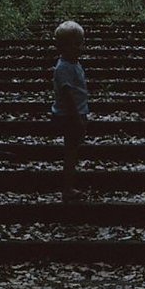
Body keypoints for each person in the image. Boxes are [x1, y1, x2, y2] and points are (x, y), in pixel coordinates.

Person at [51, 20, 88, 203]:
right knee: (71, 152)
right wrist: (77, 119)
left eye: (80, 43)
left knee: (73, 149)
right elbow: (68, 95)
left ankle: (69, 186)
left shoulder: (73, 63)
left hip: (76, 113)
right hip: (69, 115)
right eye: (75, 44)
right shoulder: (64, 68)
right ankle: (67, 189)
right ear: (62, 47)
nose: (79, 48)